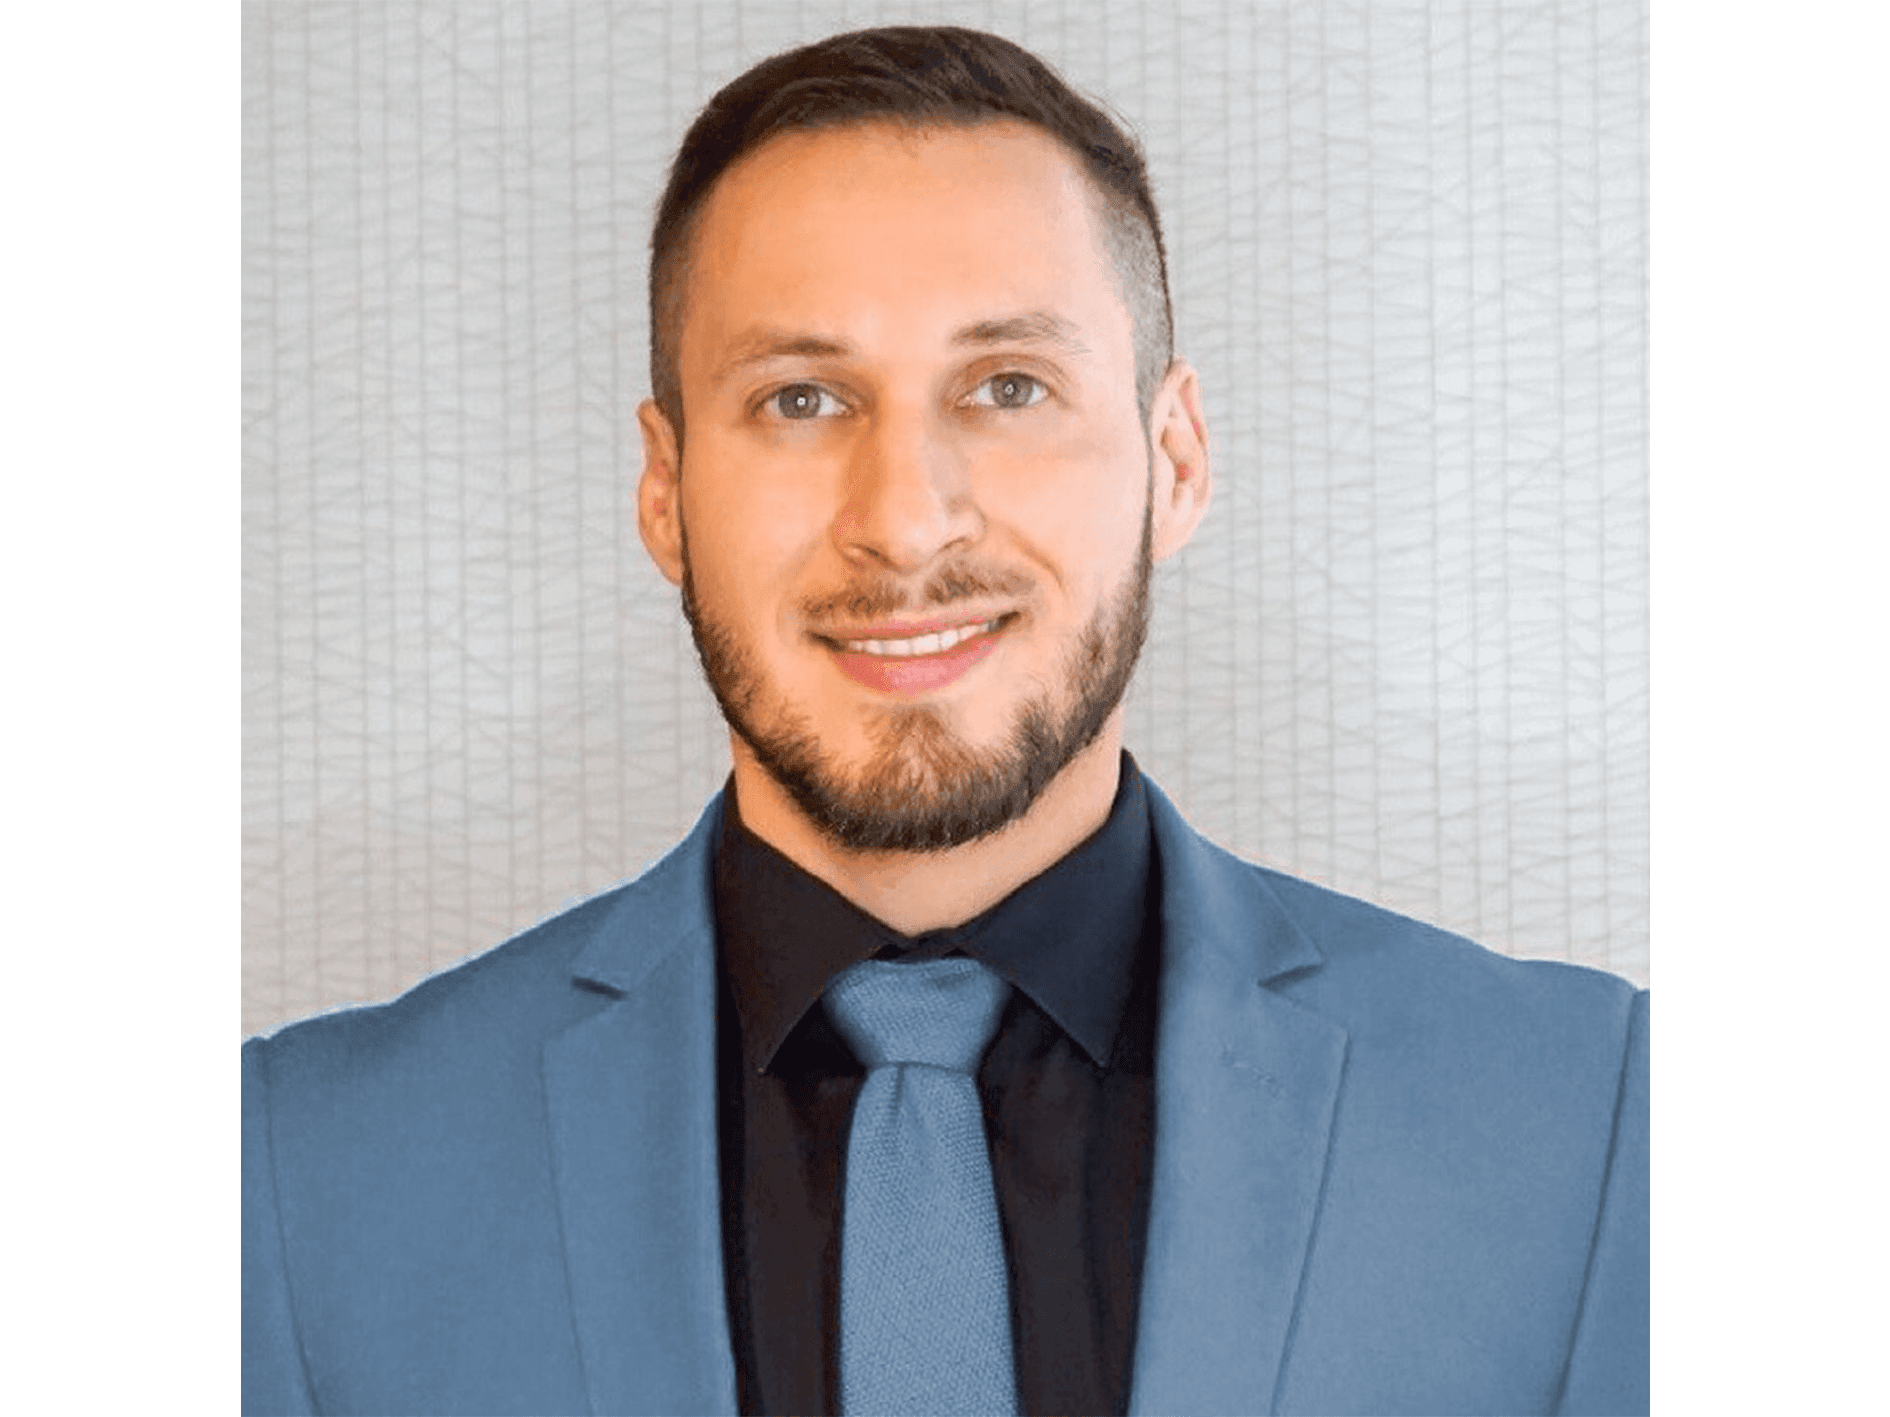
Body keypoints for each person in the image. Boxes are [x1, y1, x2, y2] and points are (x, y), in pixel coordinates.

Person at [241, 25, 1648, 1417]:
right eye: (799, 399)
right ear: (665, 494)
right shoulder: (293, 1176)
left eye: (1007, 387)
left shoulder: (1597, 1128)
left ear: (1173, 461)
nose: (905, 519)